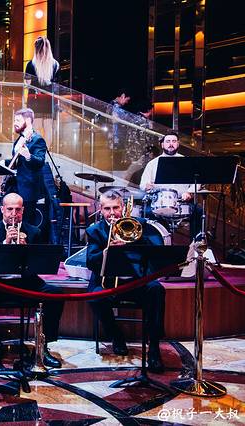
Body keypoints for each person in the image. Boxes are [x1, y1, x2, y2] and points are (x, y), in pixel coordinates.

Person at [0, 193, 63, 368]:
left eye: (17, 210)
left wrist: (27, 249)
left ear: (23, 210)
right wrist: (5, 243)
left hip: (26, 283)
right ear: (2, 209)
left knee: (55, 294)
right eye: (10, 209)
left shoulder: (34, 232)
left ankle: (43, 347)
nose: (13, 214)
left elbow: (40, 263)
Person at [85, 190, 166, 372]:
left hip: (136, 281)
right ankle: (116, 335)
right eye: (107, 209)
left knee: (157, 290)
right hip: (108, 282)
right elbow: (90, 261)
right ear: (100, 209)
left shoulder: (140, 225)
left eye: (116, 208)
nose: (112, 213)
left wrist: (134, 241)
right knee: (94, 297)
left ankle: (154, 347)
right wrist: (107, 250)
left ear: (123, 207)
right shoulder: (95, 231)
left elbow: (155, 251)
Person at [139, 131, 201, 238]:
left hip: (182, 202)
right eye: (168, 141)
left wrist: (189, 192)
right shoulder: (153, 164)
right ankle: (158, 243)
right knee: (147, 212)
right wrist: (147, 186)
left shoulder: (187, 161)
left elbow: (197, 182)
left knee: (198, 211)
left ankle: (195, 244)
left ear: (178, 144)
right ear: (162, 144)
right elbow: (142, 185)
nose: (171, 144)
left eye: (174, 141)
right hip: (159, 202)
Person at [1, 108, 47, 228]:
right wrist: (4, 162)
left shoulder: (37, 139)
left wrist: (28, 156)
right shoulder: (19, 139)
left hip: (28, 189)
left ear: (28, 120)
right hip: (14, 186)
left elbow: (40, 161)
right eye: (14, 120)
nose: (14, 123)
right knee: (3, 217)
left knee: (26, 223)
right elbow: (18, 162)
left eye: (18, 120)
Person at [25, 36, 60, 148]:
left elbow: (27, 83)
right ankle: (45, 150)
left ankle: (38, 151)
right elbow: (57, 85)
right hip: (49, 99)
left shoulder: (31, 64)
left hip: (35, 99)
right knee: (49, 128)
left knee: (36, 127)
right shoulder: (55, 64)